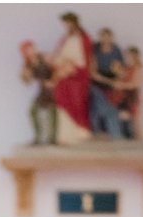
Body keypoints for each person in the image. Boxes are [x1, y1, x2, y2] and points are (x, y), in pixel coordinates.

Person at [50, 11, 93, 145]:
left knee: (76, 104)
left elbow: (85, 61)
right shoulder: (65, 39)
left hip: (77, 78)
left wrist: (70, 66)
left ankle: (79, 135)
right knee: (62, 103)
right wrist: (59, 64)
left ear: (73, 23)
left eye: (67, 23)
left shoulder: (83, 39)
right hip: (64, 78)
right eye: (64, 24)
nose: (65, 26)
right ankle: (64, 136)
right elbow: (59, 56)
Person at [87, 27, 125, 139]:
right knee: (99, 107)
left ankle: (113, 134)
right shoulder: (95, 49)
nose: (106, 39)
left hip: (112, 83)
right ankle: (100, 133)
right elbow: (93, 72)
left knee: (104, 108)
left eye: (108, 37)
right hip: (97, 82)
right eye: (103, 37)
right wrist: (108, 81)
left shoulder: (116, 49)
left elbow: (120, 69)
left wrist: (116, 80)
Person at [18, 40, 57, 146]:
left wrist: (53, 81)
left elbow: (57, 67)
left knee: (52, 110)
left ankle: (53, 138)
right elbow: (26, 80)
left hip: (52, 87)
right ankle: (38, 138)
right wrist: (26, 76)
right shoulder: (29, 64)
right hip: (43, 89)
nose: (32, 51)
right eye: (28, 50)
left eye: (32, 48)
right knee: (34, 111)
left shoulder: (44, 57)